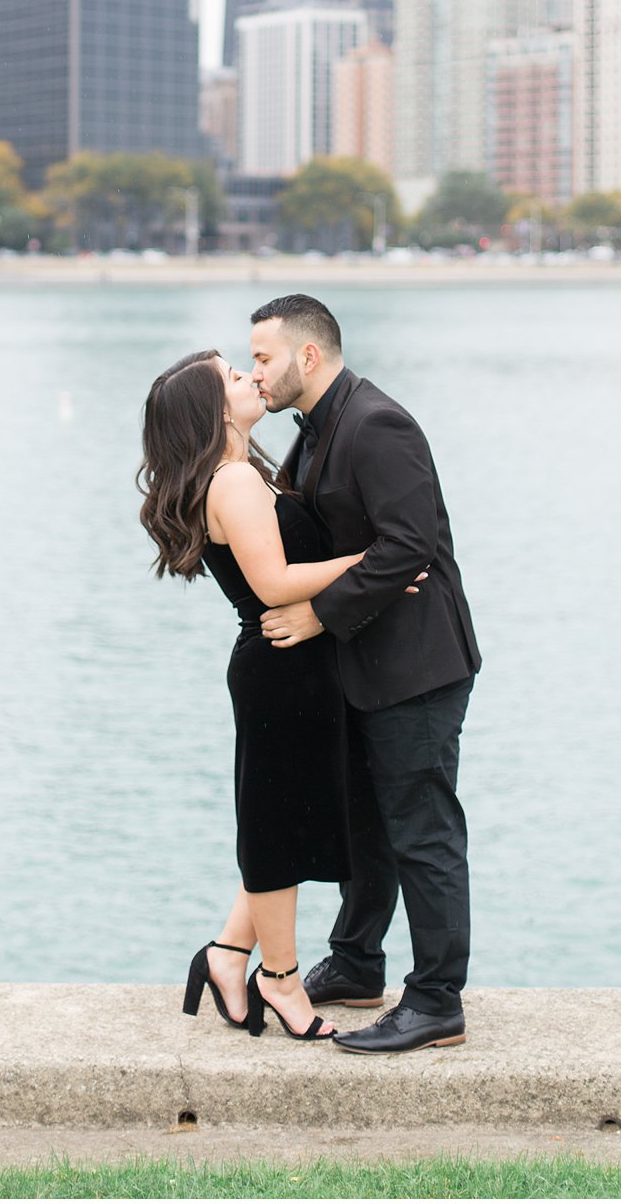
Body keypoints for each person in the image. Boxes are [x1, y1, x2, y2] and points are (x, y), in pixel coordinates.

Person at [137, 349, 427, 1043]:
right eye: (234, 377)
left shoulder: (247, 470)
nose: (250, 378)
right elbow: (272, 584)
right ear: (212, 411)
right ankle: (282, 981)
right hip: (279, 670)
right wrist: (373, 564)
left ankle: (227, 956)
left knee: (285, 825)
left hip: (293, 667)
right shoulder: (233, 479)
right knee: (275, 835)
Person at [250, 293, 482, 1056]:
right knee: (364, 826)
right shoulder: (315, 429)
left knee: (422, 831)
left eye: (263, 358)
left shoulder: (377, 422)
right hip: (360, 662)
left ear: (306, 356)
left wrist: (319, 614)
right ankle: (355, 963)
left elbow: (408, 545)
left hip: (415, 664)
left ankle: (436, 1000)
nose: (256, 374)